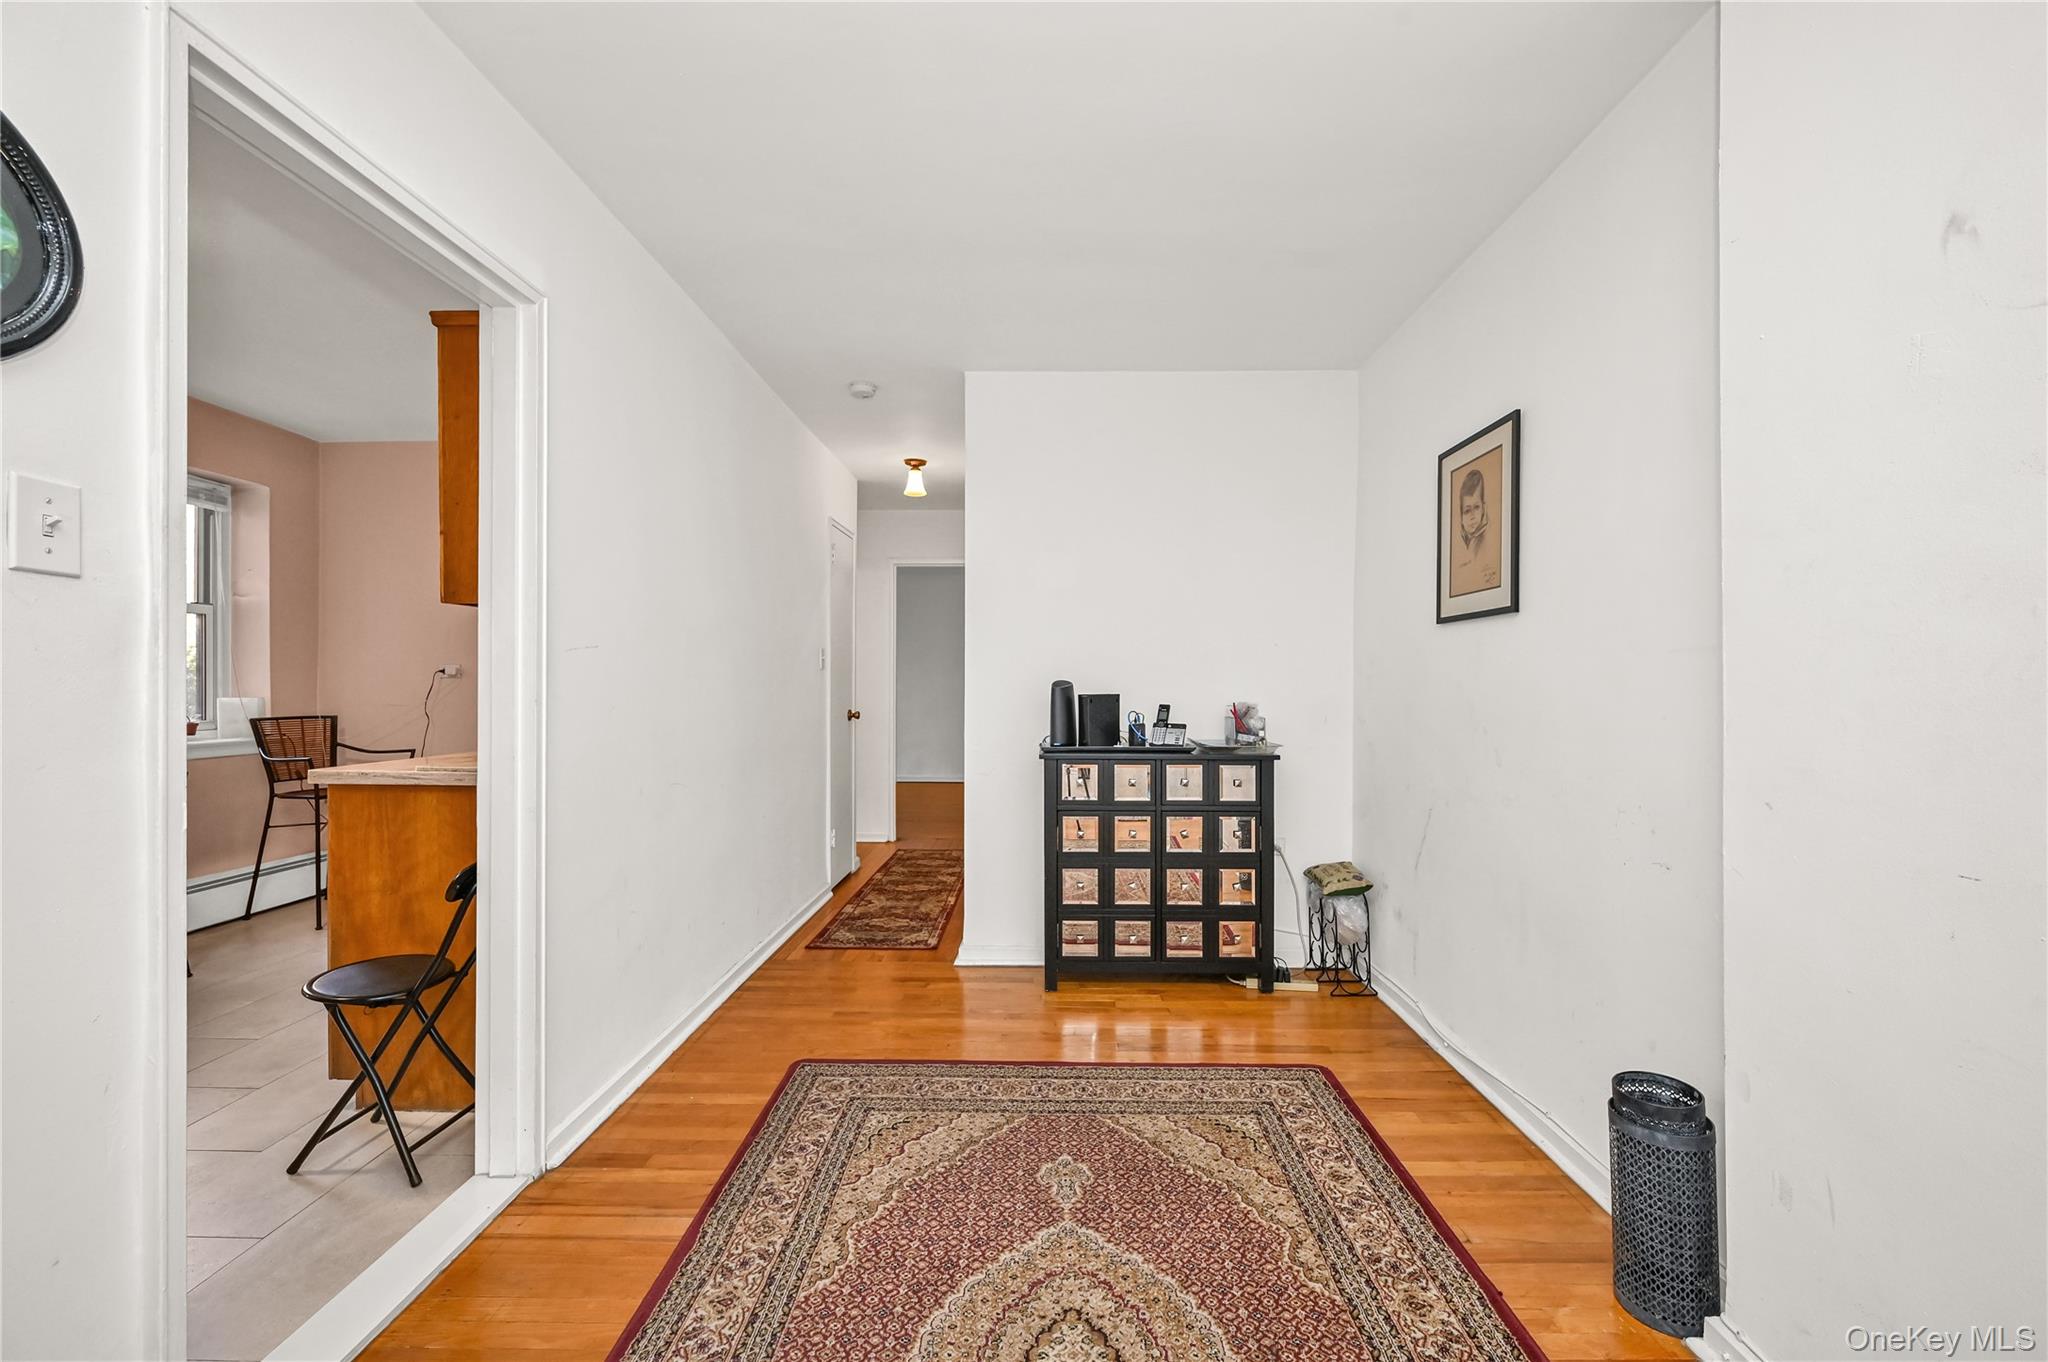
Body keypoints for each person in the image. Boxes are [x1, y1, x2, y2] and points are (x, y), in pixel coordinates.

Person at [1450, 461, 1500, 594]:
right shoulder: (1458, 544)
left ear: (1484, 508)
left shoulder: (1489, 539)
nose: (1472, 516)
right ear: (1460, 515)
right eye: (1467, 511)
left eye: (1476, 508)